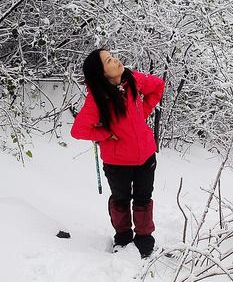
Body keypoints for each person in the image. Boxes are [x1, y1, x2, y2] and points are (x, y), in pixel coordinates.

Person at [70, 48, 165, 258]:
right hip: (117, 162)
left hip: (146, 155)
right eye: (109, 60)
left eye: (112, 56)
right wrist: (105, 134)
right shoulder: (98, 98)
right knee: (121, 201)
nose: (116, 60)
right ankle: (122, 239)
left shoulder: (133, 80)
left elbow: (158, 85)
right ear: (102, 73)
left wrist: (143, 112)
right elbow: (78, 130)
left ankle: (144, 241)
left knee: (143, 200)